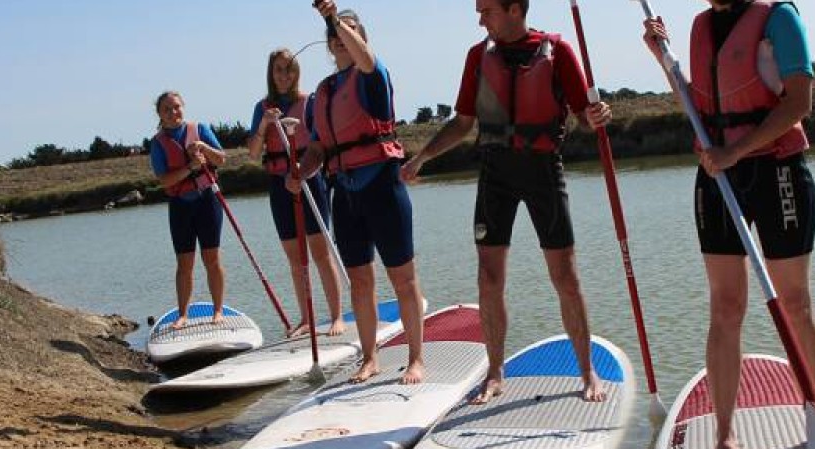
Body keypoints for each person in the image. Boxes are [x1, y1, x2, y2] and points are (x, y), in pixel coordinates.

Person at [643, 0, 815, 449]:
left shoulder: (778, 17)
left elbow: (799, 102)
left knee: (795, 302)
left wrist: (737, 150)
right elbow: (698, 103)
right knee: (725, 306)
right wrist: (663, 60)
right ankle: (725, 436)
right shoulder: (702, 26)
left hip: (777, 171)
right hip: (719, 177)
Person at [401, 0, 612, 404]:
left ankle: (588, 373)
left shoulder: (557, 51)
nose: (480, 18)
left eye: (487, 10)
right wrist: (421, 157)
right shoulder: (478, 56)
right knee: (488, 278)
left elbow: (584, 115)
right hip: (495, 173)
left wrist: (596, 114)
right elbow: (463, 122)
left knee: (565, 277)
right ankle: (495, 374)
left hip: (543, 171)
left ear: (515, 8)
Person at [288, 2, 426, 384]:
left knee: (403, 279)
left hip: (382, 187)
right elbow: (318, 148)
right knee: (361, 281)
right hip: (345, 194)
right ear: (331, 47)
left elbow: (365, 59)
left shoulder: (372, 74)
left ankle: (416, 359)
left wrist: (333, 18)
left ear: (361, 39)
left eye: (349, 31)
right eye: (335, 35)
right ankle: (370, 357)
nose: (341, 37)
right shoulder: (322, 93)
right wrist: (299, 173)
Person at [247, 48, 346, 338]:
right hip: (279, 184)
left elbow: (322, 144)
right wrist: (265, 123)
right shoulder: (261, 108)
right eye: (278, 69)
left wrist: (303, 170)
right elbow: (253, 154)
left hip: (309, 179)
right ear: (271, 73)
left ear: (297, 72)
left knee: (320, 252)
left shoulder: (310, 103)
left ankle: (337, 316)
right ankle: (306, 319)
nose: (284, 75)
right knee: (295, 257)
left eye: (289, 69)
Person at [148, 91, 228, 330]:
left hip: (207, 201)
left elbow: (221, 159)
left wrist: (204, 148)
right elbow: (164, 181)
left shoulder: (200, 129)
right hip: (181, 205)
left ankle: (218, 310)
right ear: (160, 115)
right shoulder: (158, 143)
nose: (173, 113)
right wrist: (190, 167)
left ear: (183, 107)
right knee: (185, 263)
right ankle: (183, 314)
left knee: (212, 258)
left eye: (176, 107)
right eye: (167, 110)